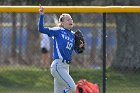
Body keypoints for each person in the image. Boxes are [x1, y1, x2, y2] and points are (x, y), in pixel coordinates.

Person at [38, 5, 84, 93]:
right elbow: (41, 29)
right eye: (68, 19)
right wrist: (41, 15)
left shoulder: (74, 35)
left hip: (66, 67)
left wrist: (80, 47)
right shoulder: (58, 31)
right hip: (58, 65)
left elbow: (77, 51)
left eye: (71, 19)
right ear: (62, 23)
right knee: (72, 88)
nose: (71, 20)